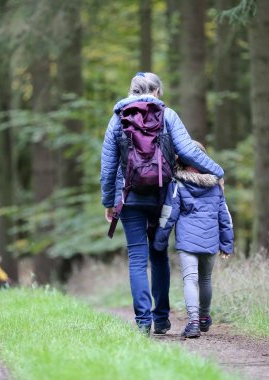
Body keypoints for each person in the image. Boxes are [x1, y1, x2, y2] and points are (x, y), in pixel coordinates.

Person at [100, 72, 224, 335]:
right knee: (159, 255)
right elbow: (189, 151)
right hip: (162, 196)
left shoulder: (117, 119)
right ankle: (162, 319)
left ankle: (143, 322)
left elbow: (108, 166)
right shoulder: (168, 115)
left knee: (136, 257)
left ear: (131, 91)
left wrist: (109, 201)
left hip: (129, 196)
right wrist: (217, 171)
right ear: (156, 91)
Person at [153, 141, 234, 338]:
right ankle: (205, 317)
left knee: (190, 280)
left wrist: (159, 240)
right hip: (210, 240)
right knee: (205, 279)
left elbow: (169, 214)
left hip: (188, 242)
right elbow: (225, 216)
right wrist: (226, 243)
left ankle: (193, 322)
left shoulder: (178, 184)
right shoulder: (216, 185)